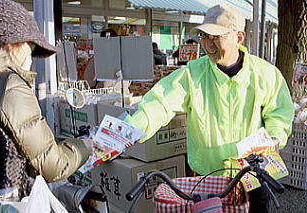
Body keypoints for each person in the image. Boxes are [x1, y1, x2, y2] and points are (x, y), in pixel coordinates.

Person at [124, 4, 294, 213]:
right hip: (207, 178)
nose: (207, 44)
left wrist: (275, 138)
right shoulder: (192, 74)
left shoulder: (266, 75)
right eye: (204, 36)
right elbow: (159, 103)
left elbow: (279, 115)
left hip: (252, 178)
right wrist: (127, 131)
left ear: (239, 37)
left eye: (216, 37)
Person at [0, 0, 91, 200]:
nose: (31, 55)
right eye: (30, 46)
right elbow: (53, 166)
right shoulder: (10, 86)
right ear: (12, 45)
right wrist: (84, 147)